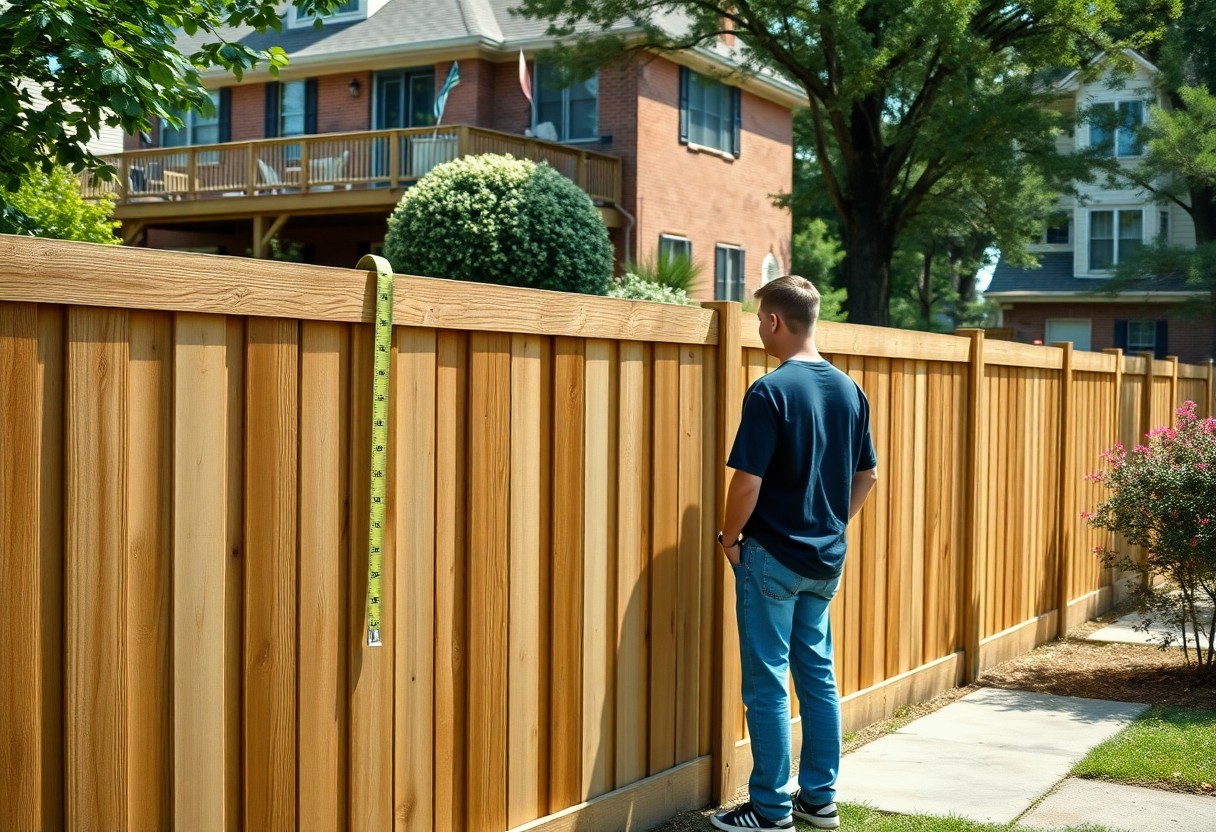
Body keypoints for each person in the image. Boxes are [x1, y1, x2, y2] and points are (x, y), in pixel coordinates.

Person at [711, 276, 879, 831]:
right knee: (817, 677)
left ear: (776, 322)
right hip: (824, 560)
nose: (759, 328)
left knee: (766, 681)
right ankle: (819, 801)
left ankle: (770, 809)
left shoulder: (770, 390)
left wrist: (729, 539)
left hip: (771, 558)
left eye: (760, 319)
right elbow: (868, 476)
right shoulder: (850, 390)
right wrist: (831, 525)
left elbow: (745, 484)